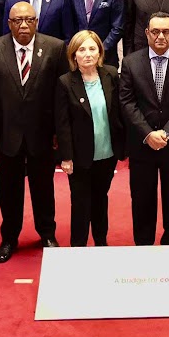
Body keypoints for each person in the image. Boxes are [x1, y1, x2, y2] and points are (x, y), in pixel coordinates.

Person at [0, 1, 65, 261]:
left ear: (36, 22)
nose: (24, 25)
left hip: (43, 133)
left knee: (44, 187)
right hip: (7, 134)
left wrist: (58, 132)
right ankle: (9, 238)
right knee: (9, 190)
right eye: (18, 21)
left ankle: (47, 233)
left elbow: (61, 95)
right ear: (9, 23)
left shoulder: (55, 48)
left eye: (29, 19)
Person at [120, 12, 169, 245]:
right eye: (155, 32)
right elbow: (126, 102)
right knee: (142, 199)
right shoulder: (131, 62)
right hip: (142, 145)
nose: (161, 37)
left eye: (166, 32)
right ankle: (143, 246)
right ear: (146, 33)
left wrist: (166, 132)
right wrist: (148, 133)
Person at [55, 31, 126, 247]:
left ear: (100, 52)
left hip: (107, 153)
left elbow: (119, 113)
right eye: (82, 50)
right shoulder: (65, 82)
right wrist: (66, 157)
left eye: (92, 49)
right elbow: (62, 124)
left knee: (100, 199)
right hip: (79, 157)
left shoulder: (112, 75)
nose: (87, 54)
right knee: (81, 203)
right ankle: (79, 246)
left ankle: (101, 242)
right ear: (74, 55)